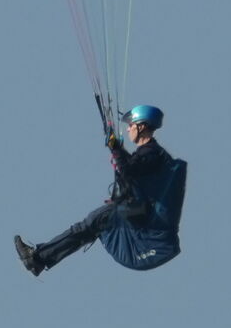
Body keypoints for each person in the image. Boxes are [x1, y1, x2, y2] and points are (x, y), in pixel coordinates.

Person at [17, 104, 184, 275]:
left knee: (91, 223)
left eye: (131, 126)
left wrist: (115, 148)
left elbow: (128, 171)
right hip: (139, 214)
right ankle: (39, 258)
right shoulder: (149, 154)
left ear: (141, 126)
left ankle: (38, 258)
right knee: (91, 224)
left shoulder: (152, 154)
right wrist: (117, 148)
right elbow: (133, 168)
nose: (128, 130)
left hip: (145, 225)